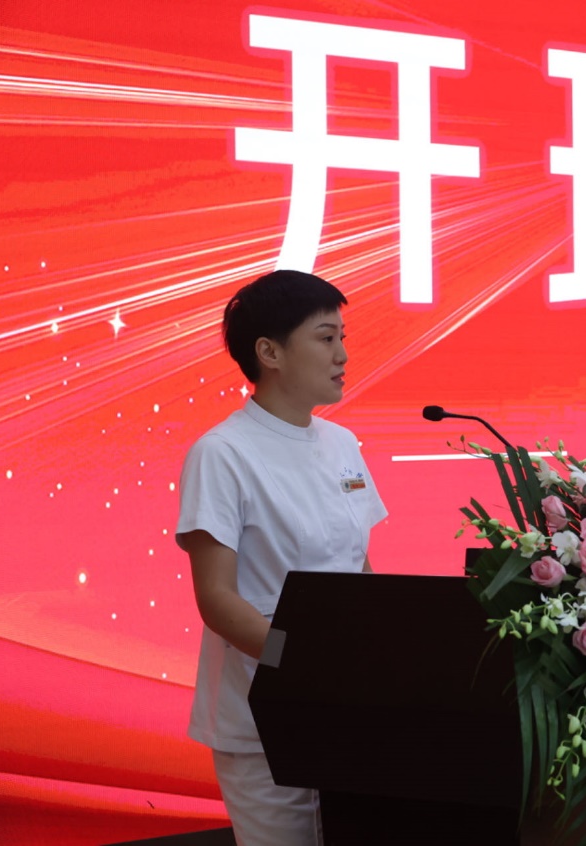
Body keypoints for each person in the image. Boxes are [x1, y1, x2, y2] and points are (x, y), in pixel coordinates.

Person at [176, 270, 387, 845]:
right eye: (325, 338)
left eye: (343, 337)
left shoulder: (341, 444)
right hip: (263, 717)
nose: (343, 355)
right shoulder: (222, 453)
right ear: (269, 352)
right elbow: (217, 599)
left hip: (347, 707)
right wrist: (304, 661)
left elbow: (358, 567)